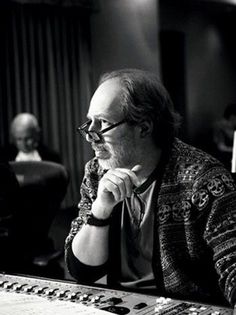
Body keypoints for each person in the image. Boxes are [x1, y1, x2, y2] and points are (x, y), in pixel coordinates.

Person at [65, 69, 236, 308]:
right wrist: (100, 211)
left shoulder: (203, 179)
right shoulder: (96, 172)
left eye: (103, 122)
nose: (90, 136)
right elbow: (81, 271)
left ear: (144, 127)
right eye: (89, 122)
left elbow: (232, 262)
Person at [212, 103, 236, 171]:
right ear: (232, 117)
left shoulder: (232, 127)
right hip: (222, 161)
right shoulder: (219, 127)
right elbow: (221, 147)